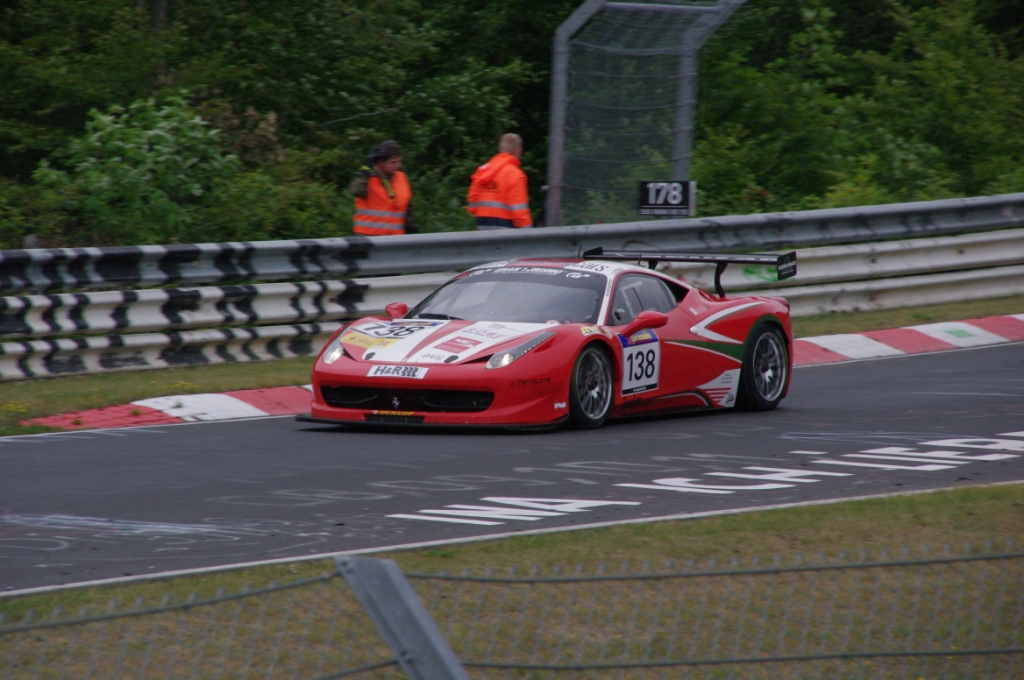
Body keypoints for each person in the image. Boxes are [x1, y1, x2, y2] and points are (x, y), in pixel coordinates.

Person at [467, 133, 532, 230]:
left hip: (482, 225)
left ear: (500, 149)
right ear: (518, 151)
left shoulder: (483, 170)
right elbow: (519, 210)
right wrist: (528, 231)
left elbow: (472, 202)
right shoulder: (515, 174)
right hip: (505, 227)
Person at [349, 140, 415, 235]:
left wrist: (411, 229)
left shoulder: (401, 177)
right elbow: (356, 191)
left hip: (396, 238)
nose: (397, 166)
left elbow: (407, 207)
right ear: (380, 163)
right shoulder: (366, 177)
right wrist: (364, 173)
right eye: (392, 163)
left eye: (399, 162)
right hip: (368, 236)